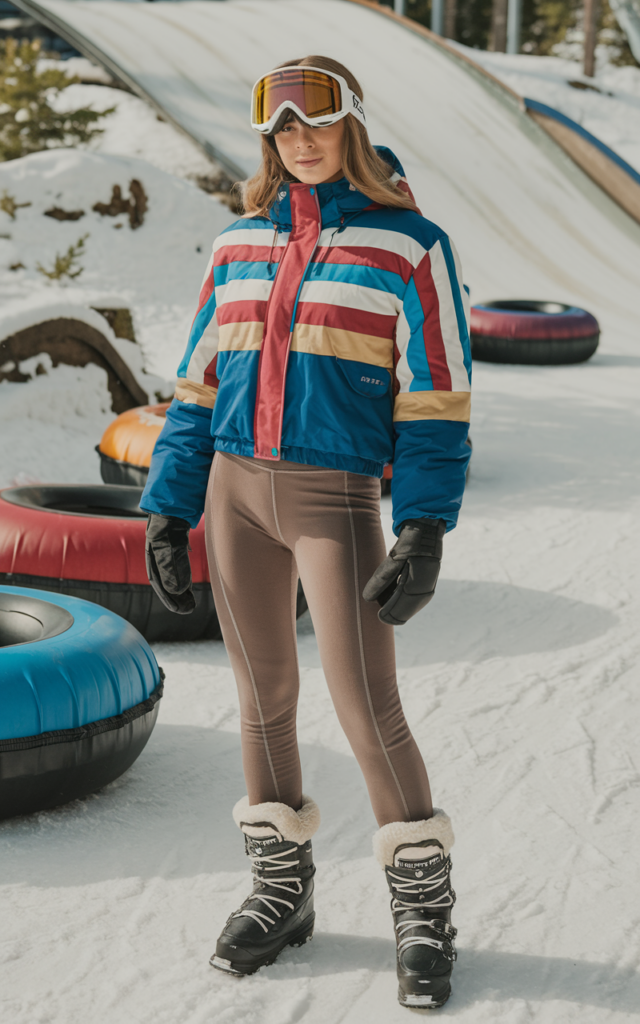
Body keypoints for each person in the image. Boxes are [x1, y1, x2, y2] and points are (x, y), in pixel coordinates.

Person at [141, 56, 471, 1011]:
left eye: (316, 121)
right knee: (262, 697)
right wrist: (169, 505)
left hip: (334, 500)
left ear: (351, 125)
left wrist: (424, 526)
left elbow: (436, 398)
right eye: (281, 129)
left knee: (367, 704)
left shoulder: (411, 246)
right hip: (235, 495)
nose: (299, 139)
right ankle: (281, 893)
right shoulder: (236, 245)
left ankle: (421, 909)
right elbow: (198, 388)